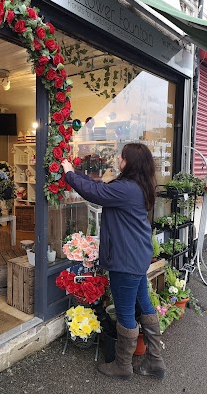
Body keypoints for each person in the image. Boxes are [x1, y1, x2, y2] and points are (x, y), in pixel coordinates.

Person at [61, 143, 166, 380]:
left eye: (122, 156)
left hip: (125, 259)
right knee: (144, 304)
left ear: (130, 162)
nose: (118, 158)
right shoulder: (138, 185)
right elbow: (100, 187)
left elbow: (96, 193)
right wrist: (75, 173)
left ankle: (122, 366)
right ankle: (155, 361)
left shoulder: (127, 188)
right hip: (137, 255)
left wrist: (68, 174)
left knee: (126, 312)